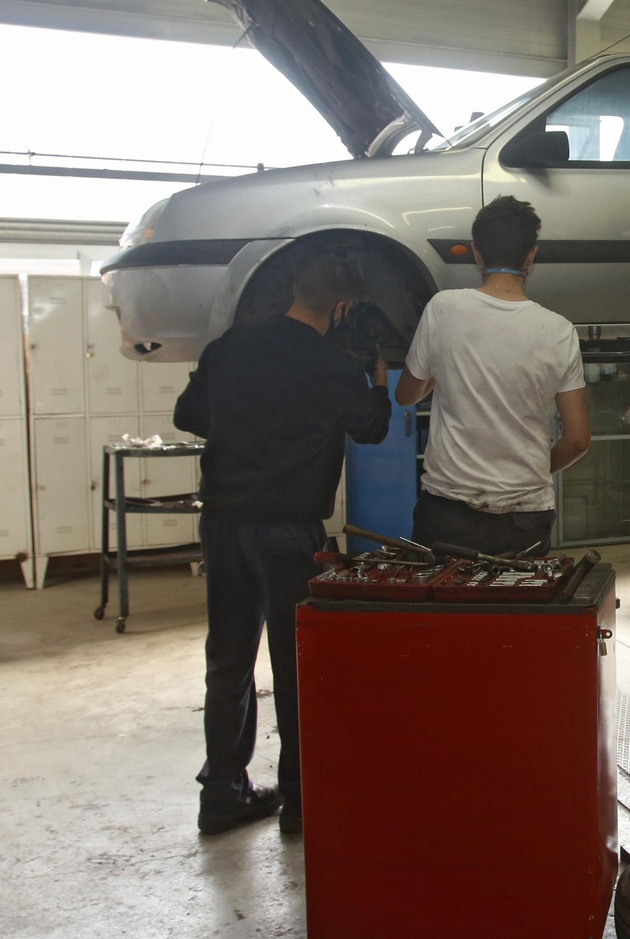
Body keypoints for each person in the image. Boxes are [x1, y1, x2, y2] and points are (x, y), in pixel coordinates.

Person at [174, 254, 391, 836]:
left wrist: (243, 426)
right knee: (295, 667)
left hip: (223, 524)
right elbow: (371, 428)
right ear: (341, 308)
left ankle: (222, 793)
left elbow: (187, 413)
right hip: (289, 533)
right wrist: (378, 380)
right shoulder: (331, 365)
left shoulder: (230, 346)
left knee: (228, 660)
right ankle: (299, 801)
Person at [396, 196, 591, 555]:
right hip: (526, 517)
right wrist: (529, 472)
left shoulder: (443, 308)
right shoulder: (560, 330)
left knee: (444, 610)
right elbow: (578, 440)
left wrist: (443, 364)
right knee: (514, 610)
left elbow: (406, 395)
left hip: (447, 511)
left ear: (477, 253)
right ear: (531, 255)